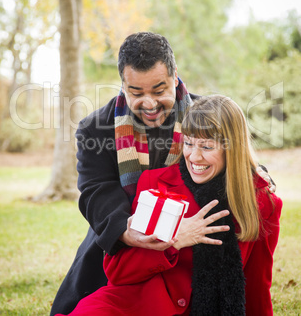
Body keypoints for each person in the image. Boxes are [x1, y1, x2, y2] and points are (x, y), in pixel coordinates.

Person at [50, 32, 275, 315]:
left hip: (190, 255)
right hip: (125, 240)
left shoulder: (205, 115)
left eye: (159, 90)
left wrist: (258, 175)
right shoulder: (95, 128)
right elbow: (96, 191)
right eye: (136, 92)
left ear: (175, 75)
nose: (150, 103)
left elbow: (234, 155)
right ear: (122, 83)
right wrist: (127, 230)